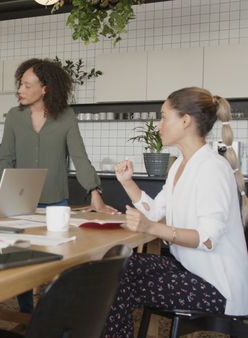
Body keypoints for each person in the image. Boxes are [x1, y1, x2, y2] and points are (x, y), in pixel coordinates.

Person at [104, 87, 248, 336]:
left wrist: (151, 228)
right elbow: (156, 211)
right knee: (116, 267)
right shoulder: (180, 164)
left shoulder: (212, 168)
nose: (159, 125)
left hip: (218, 287)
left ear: (185, 120)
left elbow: (207, 238)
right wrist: (128, 182)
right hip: (190, 270)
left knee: (119, 286)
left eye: (163, 117)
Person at [0, 57, 118, 313]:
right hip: (21, 203)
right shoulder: (14, 117)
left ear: (45, 88)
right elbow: (5, 158)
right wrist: (6, 190)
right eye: (20, 84)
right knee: (20, 259)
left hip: (55, 203)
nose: (20, 89)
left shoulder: (65, 117)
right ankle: (27, 313)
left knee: (59, 262)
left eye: (27, 85)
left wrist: (95, 194)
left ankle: (51, 313)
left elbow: (80, 157)